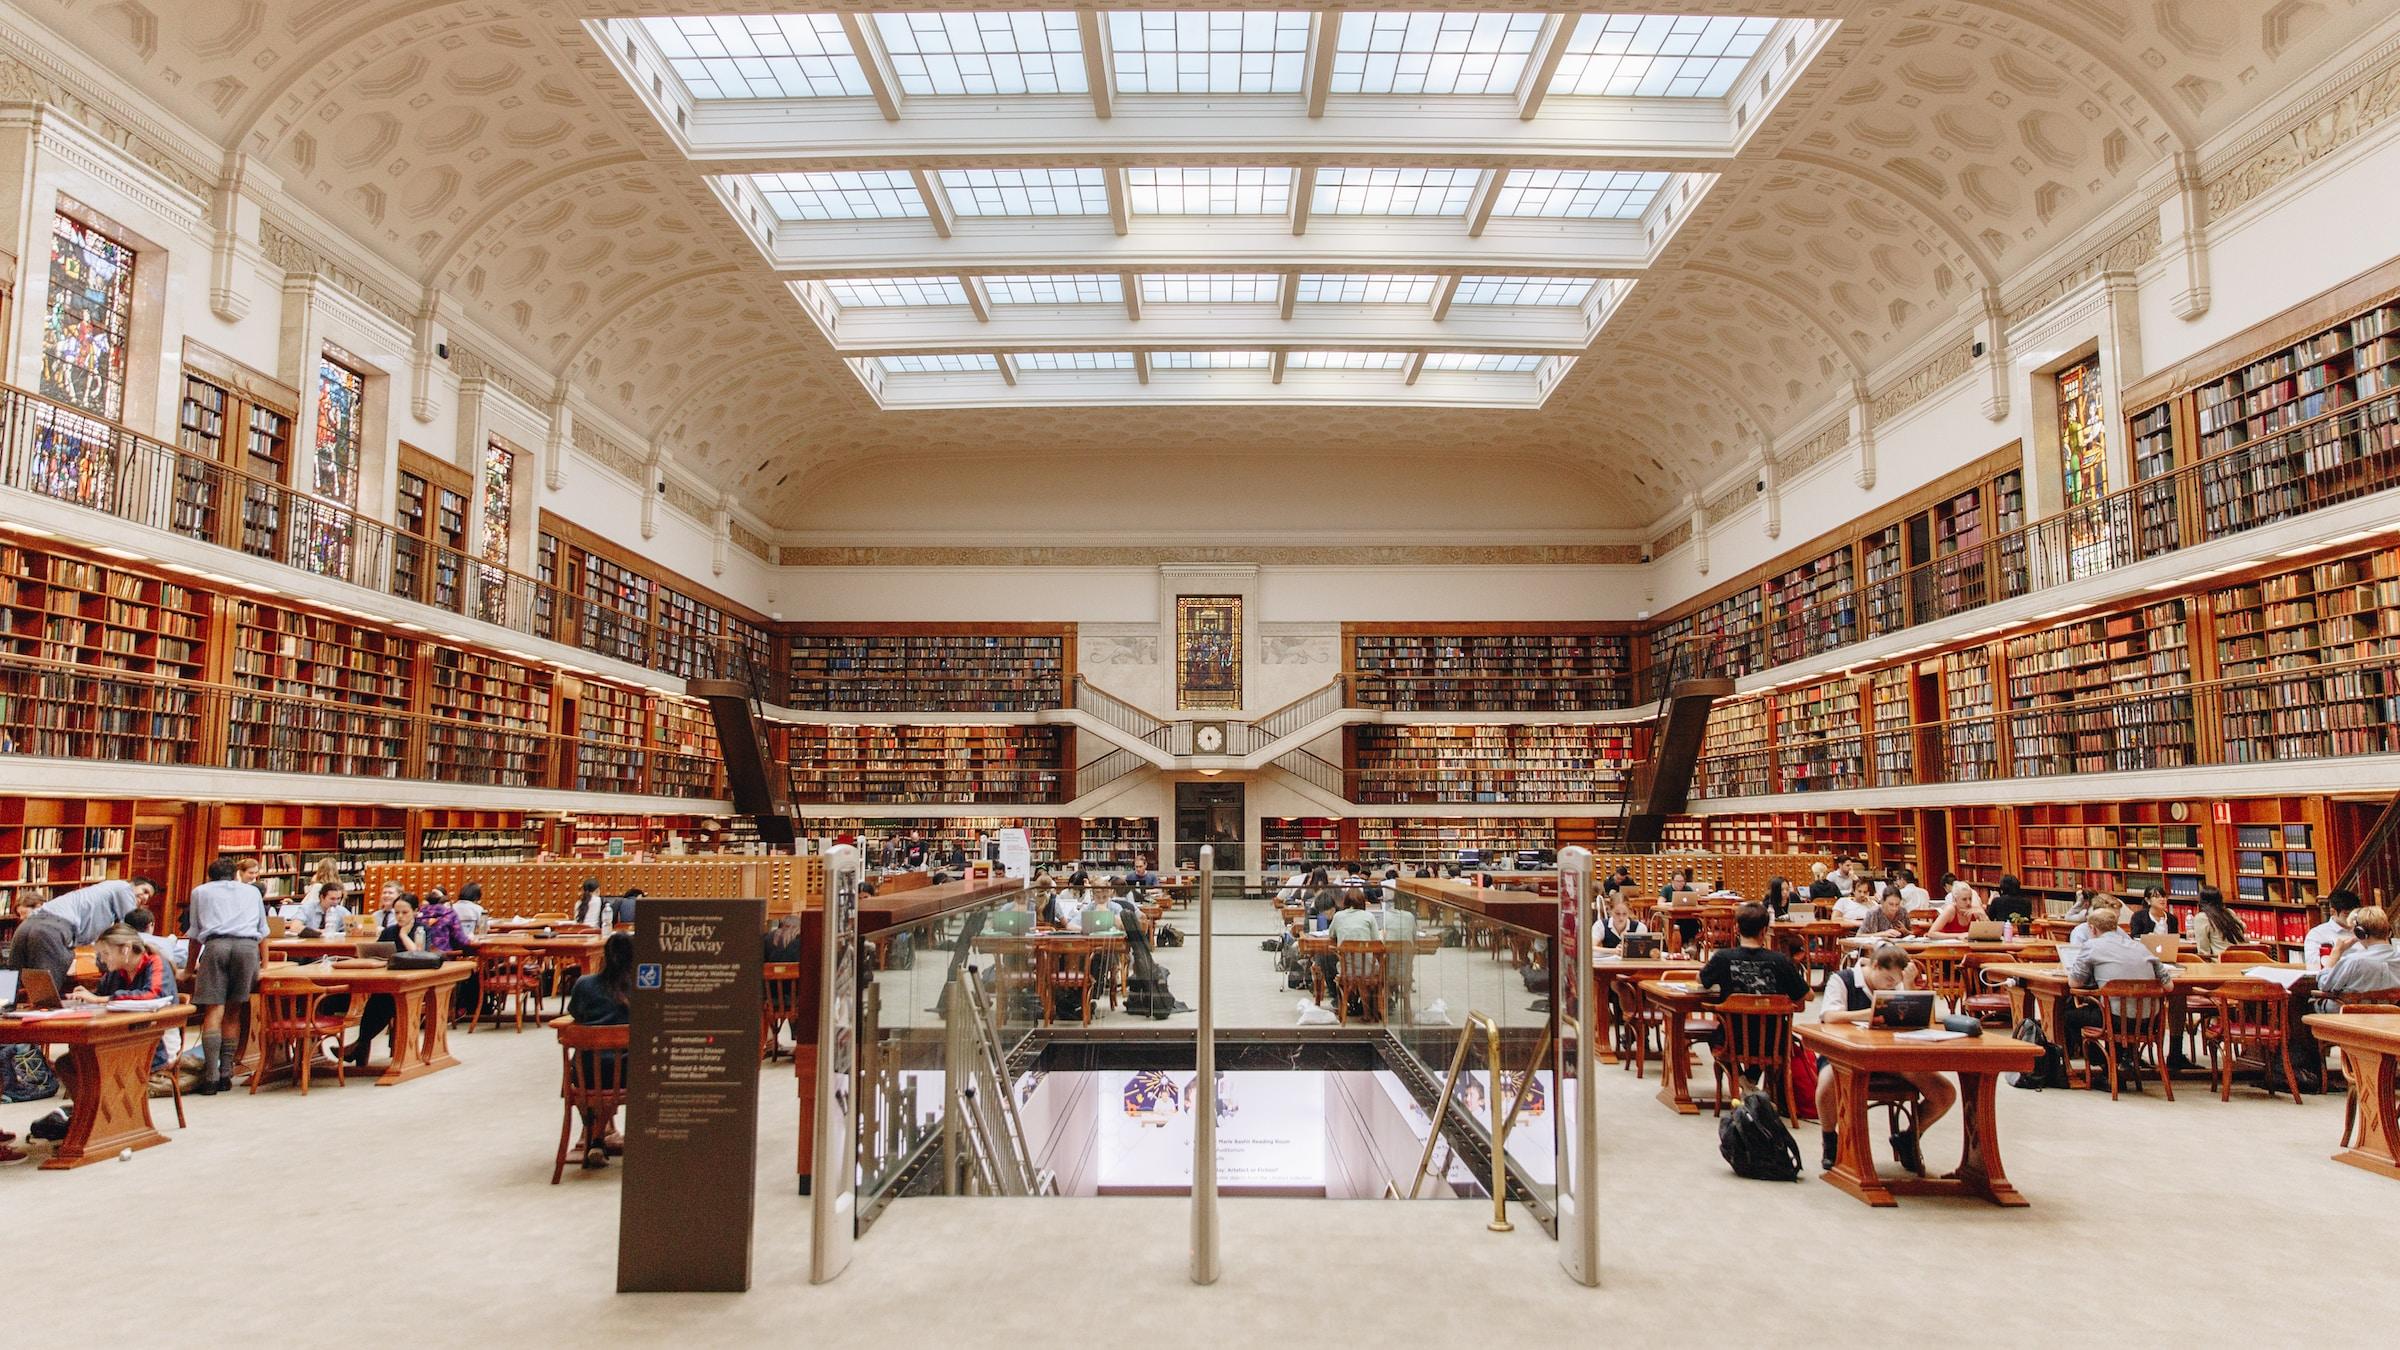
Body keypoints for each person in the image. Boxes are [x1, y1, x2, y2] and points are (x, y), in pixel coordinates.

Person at [1815, 943, 1956, 1173]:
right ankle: (1830, 1140)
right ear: (1876, 966)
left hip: (1891, 1057)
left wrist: (1908, 987)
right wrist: (1869, 1012)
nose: (1893, 985)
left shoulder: (1898, 983)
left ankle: (1910, 1137)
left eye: (1896, 981)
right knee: (1828, 1083)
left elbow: (1915, 1021)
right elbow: (1829, 1016)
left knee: (1944, 1093)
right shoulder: (1843, 980)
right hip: (1843, 1055)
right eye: (1890, 980)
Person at [185, 857, 268, 1096]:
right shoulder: (252, 893)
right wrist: (265, 964)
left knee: (214, 1009)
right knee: (233, 1010)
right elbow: (262, 932)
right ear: (235, 874)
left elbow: (194, 933)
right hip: (246, 948)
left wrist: (189, 969)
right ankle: (226, 1072)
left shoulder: (200, 892)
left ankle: (210, 1075)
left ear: (210, 876)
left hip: (216, 946)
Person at [6, 876, 157, 991]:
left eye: (149, 897)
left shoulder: (103, 895)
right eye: (144, 891)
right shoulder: (124, 888)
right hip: (51, 930)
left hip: (27, 926)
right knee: (45, 994)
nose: (144, 898)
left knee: (10, 985)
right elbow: (130, 927)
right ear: (133, 885)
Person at [566, 931, 635, 1169]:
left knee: (597, 1070)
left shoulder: (584, 984)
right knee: (617, 1069)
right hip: (626, 1073)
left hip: (585, 1073)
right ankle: (599, 1137)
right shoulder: (640, 988)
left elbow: (575, 1013)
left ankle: (594, 1138)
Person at [2063, 905, 2170, 1046]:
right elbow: (2169, 986)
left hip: (2114, 1020)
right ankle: (2122, 1059)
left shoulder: (2092, 946)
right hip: (2149, 1021)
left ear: (2092, 928)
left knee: (2067, 1014)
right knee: (2116, 1009)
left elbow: (2074, 983)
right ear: (2116, 926)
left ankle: (2098, 1059)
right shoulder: (2140, 947)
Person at [346, 895, 429, 1067]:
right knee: (377, 1001)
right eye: (396, 912)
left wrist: (404, 935)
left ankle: (358, 1046)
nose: (400, 916)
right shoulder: (388, 931)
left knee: (384, 1001)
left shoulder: (422, 930)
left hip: (416, 984)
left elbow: (419, 955)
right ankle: (359, 1046)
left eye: (405, 912)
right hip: (390, 981)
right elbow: (377, 952)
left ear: (415, 911)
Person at [1697, 902, 1808, 1003]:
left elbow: (1701, 979)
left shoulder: (1722, 957)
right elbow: (1807, 995)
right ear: (1764, 931)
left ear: (1737, 929)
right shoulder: (1781, 960)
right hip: (1771, 1025)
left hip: (1733, 1025)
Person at [2314, 906, 2400, 1006]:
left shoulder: (2353, 961)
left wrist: (2336, 953)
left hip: (2352, 1017)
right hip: (2393, 1017)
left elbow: (2324, 985)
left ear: (2360, 933)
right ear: (2389, 932)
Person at [2305, 890, 2365, 972]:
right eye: (2347, 914)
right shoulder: (2317, 934)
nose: (2352, 918)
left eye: (2355, 914)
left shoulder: (2363, 929)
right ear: (2333, 912)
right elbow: (2314, 967)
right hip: (2335, 979)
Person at [2190, 887, 2247, 958]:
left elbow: (2203, 951)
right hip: (2244, 958)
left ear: (2201, 902)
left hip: (2221, 962)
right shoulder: (2229, 912)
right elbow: (2243, 927)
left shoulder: (2202, 917)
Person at [418, 887, 467, 954]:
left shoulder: (418, 914)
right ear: (442, 900)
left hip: (421, 955)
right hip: (444, 955)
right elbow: (461, 938)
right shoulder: (449, 914)